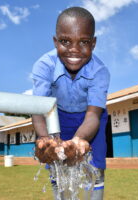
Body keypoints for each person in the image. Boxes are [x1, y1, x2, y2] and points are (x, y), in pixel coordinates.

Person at [32, 6, 110, 200]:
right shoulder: (44, 66)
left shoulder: (99, 71)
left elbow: (93, 116)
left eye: (83, 42)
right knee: (56, 161)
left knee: (95, 167)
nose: (74, 50)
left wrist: (79, 139)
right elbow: (38, 109)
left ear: (93, 43)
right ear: (55, 41)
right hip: (56, 116)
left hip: (91, 117)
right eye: (66, 41)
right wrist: (44, 137)